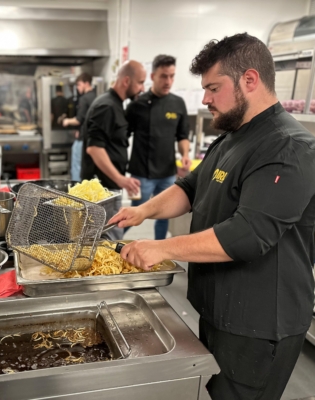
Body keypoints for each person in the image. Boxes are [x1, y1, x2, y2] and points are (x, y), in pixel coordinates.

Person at [109, 33, 315, 400]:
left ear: (249, 80)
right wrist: (141, 211)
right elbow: (189, 188)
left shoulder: (288, 147)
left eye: (213, 88)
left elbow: (248, 234)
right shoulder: (234, 136)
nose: (204, 99)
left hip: (259, 324)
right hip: (220, 311)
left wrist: (160, 248)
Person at [126, 55, 191, 240]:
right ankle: (109, 246)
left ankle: (158, 253)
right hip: (141, 174)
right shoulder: (137, 104)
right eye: (163, 76)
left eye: (172, 76)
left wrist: (185, 154)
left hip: (167, 173)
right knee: (133, 214)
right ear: (153, 76)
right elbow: (122, 137)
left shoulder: (178, 104)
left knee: (164, 216)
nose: (168, 81)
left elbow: (183, 136)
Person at [81, 60, 145, 240]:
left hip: (108, 188)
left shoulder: (115, 104)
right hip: (103, 191)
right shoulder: (107, 106)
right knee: (107, 243)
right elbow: (94, 149)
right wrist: (120, 179)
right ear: (126, 81)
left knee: (107, 239)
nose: (142, 88)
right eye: (140, 82)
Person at [63, 73, 97, 181]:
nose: (77, 88)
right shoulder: (97, 97)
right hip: (93, 140)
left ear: (87, 83)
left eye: (79, 84)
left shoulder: (84, 99)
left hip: (83, 139)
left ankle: (76, 190)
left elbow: (78, 120)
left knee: (77, 166)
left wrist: (67, 121)